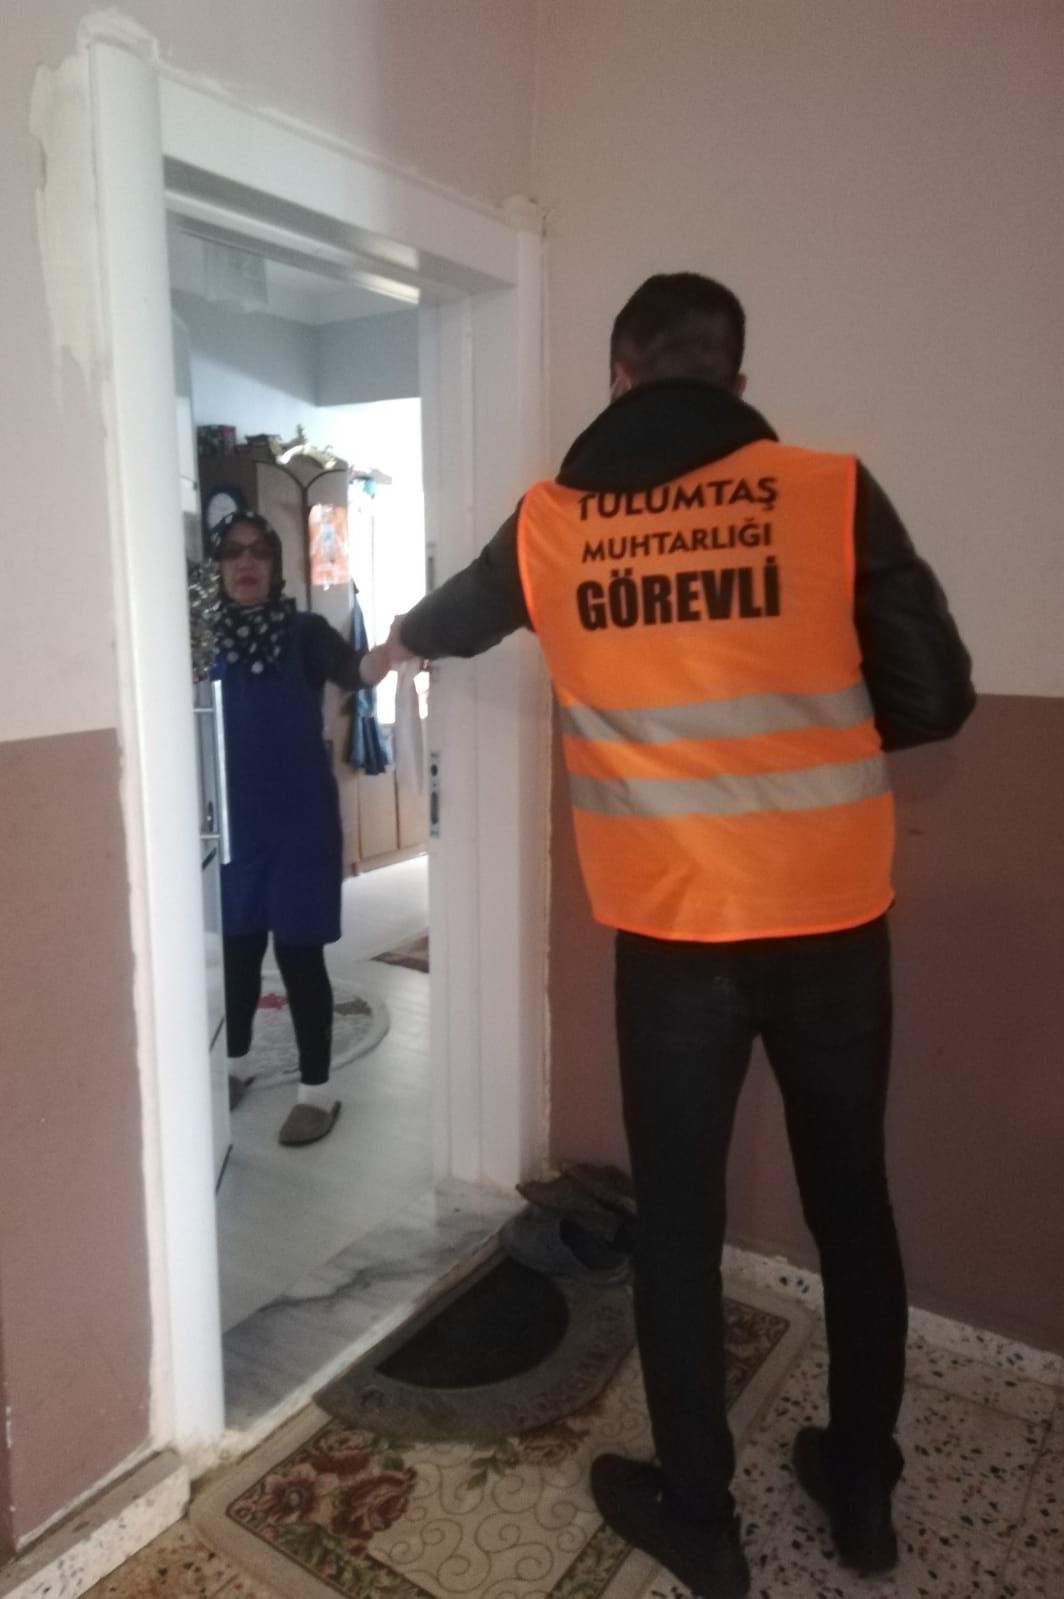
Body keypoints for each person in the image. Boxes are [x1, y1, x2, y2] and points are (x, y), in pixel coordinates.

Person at [387, 273, 974, 1599]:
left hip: (675, 937)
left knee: (679, 1226)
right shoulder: (828, 491)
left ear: (619, 378)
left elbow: (457, 616)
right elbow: (935, 697)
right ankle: (862, 1490)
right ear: (737, 384)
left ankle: (701, 1516)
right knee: (852, 1204)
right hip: (833, 927)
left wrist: (387, 649)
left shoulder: (554, 525)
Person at [207, 510, 394, 1147]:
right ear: (220, 566)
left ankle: (316, 1091)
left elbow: (355, 671)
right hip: (234, 827)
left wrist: (390, 652)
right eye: (233, 552)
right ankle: (235, 1066)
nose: (246, 562)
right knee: (237, 954)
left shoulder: (304, 631)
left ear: (276, 565)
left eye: (259, 551)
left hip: (299, 824)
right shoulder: (204, 639)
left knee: (298, 956)